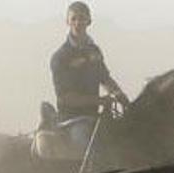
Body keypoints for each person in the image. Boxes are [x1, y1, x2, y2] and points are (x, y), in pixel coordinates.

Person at [49, 1, 129, 150]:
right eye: (74, 19)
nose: (78, 22)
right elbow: (65, 97)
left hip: (94, 117)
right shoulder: (60, 57)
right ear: (67, 22)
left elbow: (104, 78)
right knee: (93, 151)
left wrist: (121, 96)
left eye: (82, 18)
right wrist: (99, 101)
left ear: (89, 21)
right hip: (73, 121)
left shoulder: (94, 51)